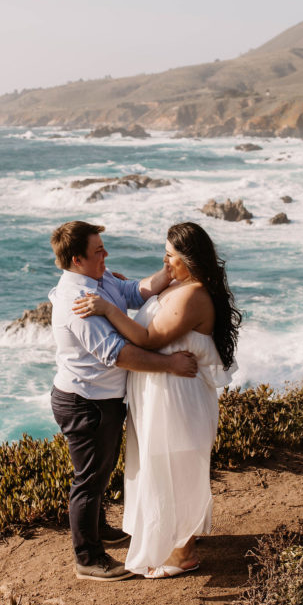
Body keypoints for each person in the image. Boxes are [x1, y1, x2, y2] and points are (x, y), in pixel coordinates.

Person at [73, 221, 241, 578]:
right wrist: (117, 291)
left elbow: (149, 338)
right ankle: (174, 542)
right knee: (161, 466)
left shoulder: (194, 295)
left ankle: (184, 553)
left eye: (170, 255)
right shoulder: (180, 284)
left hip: (178, 398)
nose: (164, 261)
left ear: (190, 260)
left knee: (177, 468)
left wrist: (107, 309)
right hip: (161, 395)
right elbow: (145, 293)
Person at [49, 220, 199, 582]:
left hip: (101, 399)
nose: (106, 254)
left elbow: (133, 291)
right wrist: (171, 366)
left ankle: (97, 530)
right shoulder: (79, 303)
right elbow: (117, 354)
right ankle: (88, 558)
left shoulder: (99, 281)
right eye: (98, 250)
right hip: (86, 401)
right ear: (76, 259)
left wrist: (168, 270)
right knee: (88, 479)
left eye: (103, 246)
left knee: (99, 473)